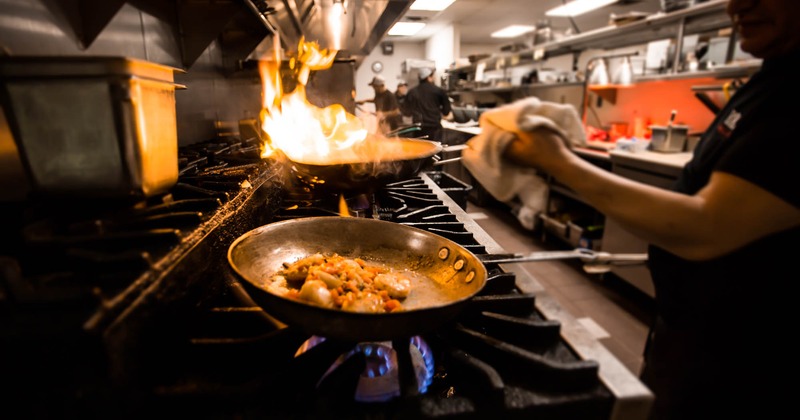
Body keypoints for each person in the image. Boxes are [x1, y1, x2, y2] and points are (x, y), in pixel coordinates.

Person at [482, 1, 800, 418]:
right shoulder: (773, 76)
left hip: (747, 359)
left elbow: (706, 226)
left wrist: (557, 160)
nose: (738, 4)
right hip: (695, 329)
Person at [404, 67, 453, 141]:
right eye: (432, 76)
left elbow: (407, 112)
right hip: (434, 129)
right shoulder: (439, 91)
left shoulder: (412, 92)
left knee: (420, 151)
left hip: (418, 129)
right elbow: (446, 112)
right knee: (435, 151)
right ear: (428, 77)